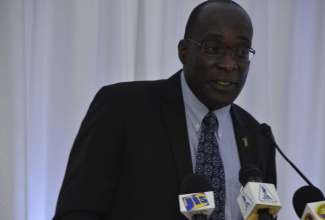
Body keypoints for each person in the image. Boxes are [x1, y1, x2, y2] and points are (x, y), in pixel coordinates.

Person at [53, 0, 276, 219]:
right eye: (213, 48)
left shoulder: (258, 137)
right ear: (184, 51)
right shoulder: (121, 109)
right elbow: (77, 211)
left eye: (240, 52)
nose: (228, 64)